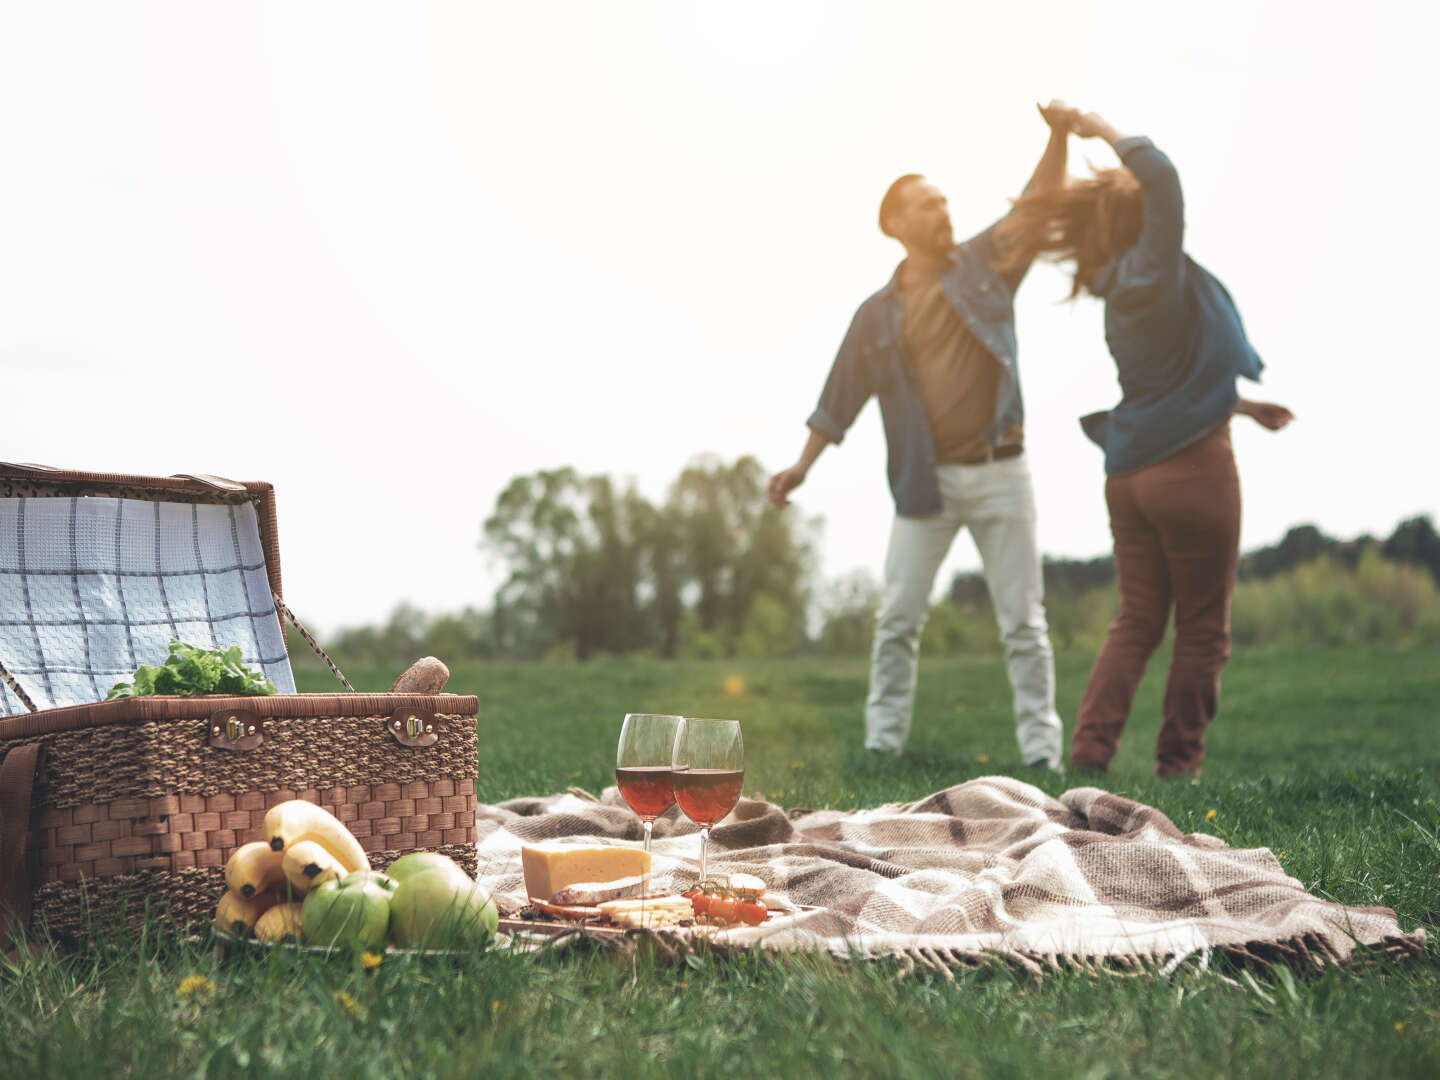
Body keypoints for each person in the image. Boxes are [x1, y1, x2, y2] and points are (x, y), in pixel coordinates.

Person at [766, 102, 1076, 769]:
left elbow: (1037, 207)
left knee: (1024, 625)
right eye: (928, 205)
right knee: (898, 622)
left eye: (944, 202)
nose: (944, 212)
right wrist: (800, 467)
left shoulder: (986, 265)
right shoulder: (875, 317)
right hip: (924, 485)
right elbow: (836, 402)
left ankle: (1043, 758)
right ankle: (882, 748)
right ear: (896, 224)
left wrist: (1056, 136)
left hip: (1002, 473)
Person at [1000, 109, 1294, 778]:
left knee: (1136, 622)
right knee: (1202, 628)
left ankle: (1088, 756)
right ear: (1144, 221)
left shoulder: (1119, 289)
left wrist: (1241, 407)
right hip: (1189, 467)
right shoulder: (1155, 268)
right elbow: (1161, 175)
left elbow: (1166, 383)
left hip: (1130, 470)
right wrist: (1093, 126)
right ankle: (1179, 766)